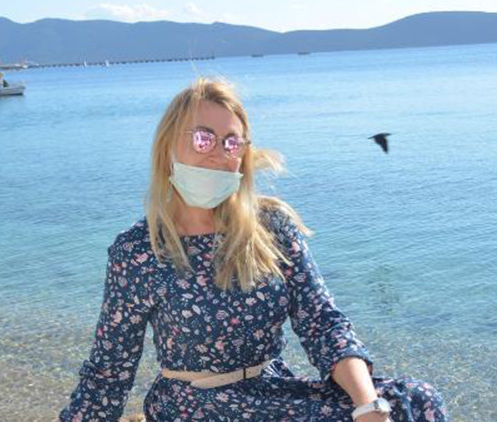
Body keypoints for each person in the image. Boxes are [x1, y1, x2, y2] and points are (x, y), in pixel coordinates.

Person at [59, 77, 449, 422]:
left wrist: (368, 405)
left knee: (418, 401)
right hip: (193, 404)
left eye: (232, 142)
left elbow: (323, 322)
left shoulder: (271, 228)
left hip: (270, 392)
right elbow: (109, 371)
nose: (218, 152)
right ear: (168, 147)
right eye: (203, 138)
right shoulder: (139, 251)